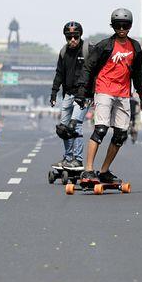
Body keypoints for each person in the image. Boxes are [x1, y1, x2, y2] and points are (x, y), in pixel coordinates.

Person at [74, 8, 142, 188]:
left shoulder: (135, 47)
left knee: (121, 134)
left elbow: (138, 73)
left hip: (123, 93)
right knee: (101, 129)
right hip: (104, 90)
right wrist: (82, 91)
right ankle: (88, 170)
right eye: (118, 25)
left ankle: (104, 171)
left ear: (130, 26)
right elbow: (88, 68)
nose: (122, 28)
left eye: (125, 25)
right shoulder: (104, 46)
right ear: (113, 26)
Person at [49, 21, 89, 171]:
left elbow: (94, 73)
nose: (72, 40)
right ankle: (67, 158)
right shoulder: (64, 52)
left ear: (80, 36)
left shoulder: (87, 50)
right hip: (68, 94)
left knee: (75, 125)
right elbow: (59, 73)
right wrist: (54, 92)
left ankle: (77, 160)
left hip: (83, 95)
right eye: (69, 37)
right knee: (64, 128)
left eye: (75, 37)